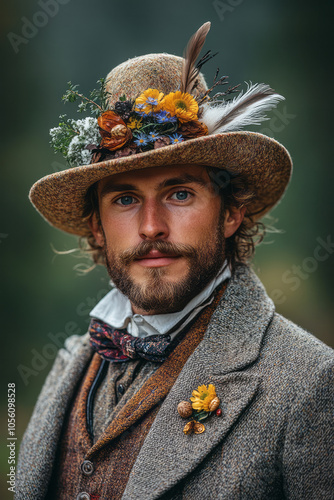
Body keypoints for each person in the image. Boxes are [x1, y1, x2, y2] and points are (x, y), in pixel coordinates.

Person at [16, 23, 333, 500]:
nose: (150, 227)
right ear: (97, 228)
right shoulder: (68, 367)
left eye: (179, 193)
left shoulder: (311, 382)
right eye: (124, 199)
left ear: (231, 212)